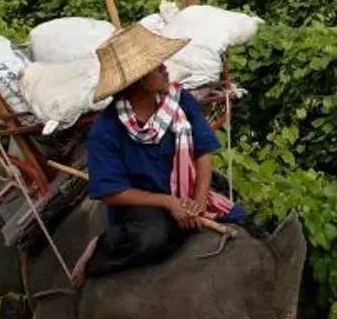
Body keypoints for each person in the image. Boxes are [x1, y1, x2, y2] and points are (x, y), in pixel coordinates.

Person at [83, 25, 243, 277]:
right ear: (138, 81)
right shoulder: (106, 130)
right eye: (157, 67)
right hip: (146, 207)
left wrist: (199, 201)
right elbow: (112, 192)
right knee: (152, 239)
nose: (165, 68)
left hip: (188, 193)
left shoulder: (181, 101)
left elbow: (203, 153)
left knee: (243, 220)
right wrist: (169, 202)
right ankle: (99, 249)